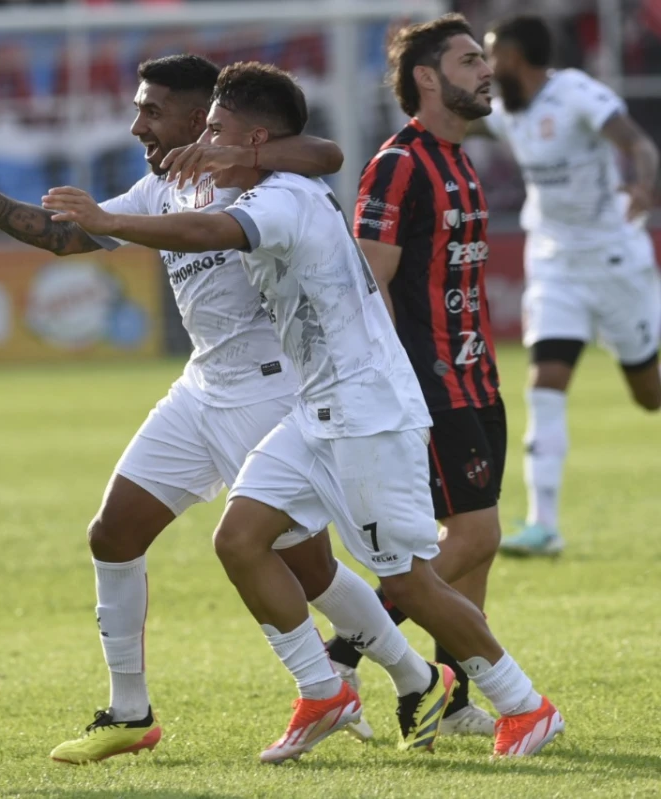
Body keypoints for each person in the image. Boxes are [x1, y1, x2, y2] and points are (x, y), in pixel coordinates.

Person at [0, 54, 450, 764]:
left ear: (204, 117)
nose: (136, 122)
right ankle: (129, 709)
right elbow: (60, 236)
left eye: (151, 109)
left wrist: (235, 151)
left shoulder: (263, 177)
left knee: (309, 568)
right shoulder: (162, 184)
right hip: (201, 388)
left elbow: (325, 151)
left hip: (271, 390)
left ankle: (413, 679)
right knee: (112, 533)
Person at [42, 59, 564, 759]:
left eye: (218, 131)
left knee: (408, 575)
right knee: (239, 538)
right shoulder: (252, 180)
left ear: (254, 140)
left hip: (368, 411)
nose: (205, 143)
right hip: (317, 407)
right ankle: (324, 690)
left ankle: (525, 704)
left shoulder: (284, 197)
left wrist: (110, 221)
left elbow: (210, 232)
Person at [315, 13, 509, 738]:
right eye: (468, 60)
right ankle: (342, 651)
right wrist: (396, 381)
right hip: (429, 382)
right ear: (427, 77)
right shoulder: (400, 162)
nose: (485, 70)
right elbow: (370, 281)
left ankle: (451, 702)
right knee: (474, 534)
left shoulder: (459, 157)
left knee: (471, 553)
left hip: (476, 375)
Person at [476, 15, 660, 556]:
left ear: (518, 57)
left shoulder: (577, 94)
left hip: (613, 259)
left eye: (492, 54)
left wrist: (644, 185)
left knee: (648, 395)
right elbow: (458, 123)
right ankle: (544, 525)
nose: (488, 66)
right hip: (553, 261)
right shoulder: (508, 110)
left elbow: (638, 144)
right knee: (544, 383)